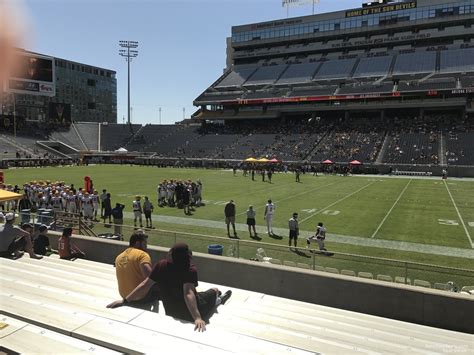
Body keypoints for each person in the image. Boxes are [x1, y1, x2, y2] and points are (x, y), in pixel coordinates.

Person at [107, 243, 232, 332]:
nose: (168, 253)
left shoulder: (161, 265)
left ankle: (216, 299)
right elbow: (188, 293)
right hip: (189, 313)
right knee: (215, 291)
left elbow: (145, 285)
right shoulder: (189, 269)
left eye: (171, 252)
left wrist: (125, 300)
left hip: (171, 311)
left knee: (201, 294)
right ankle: (219, 300)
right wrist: (198, 318)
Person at [114, 231, 159, 311]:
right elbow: (150, 278)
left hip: (124, 295)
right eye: (145, 243)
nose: (146, 246)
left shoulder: (119, 256)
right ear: (138, 243)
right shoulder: (142, 255)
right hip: (139, 298)